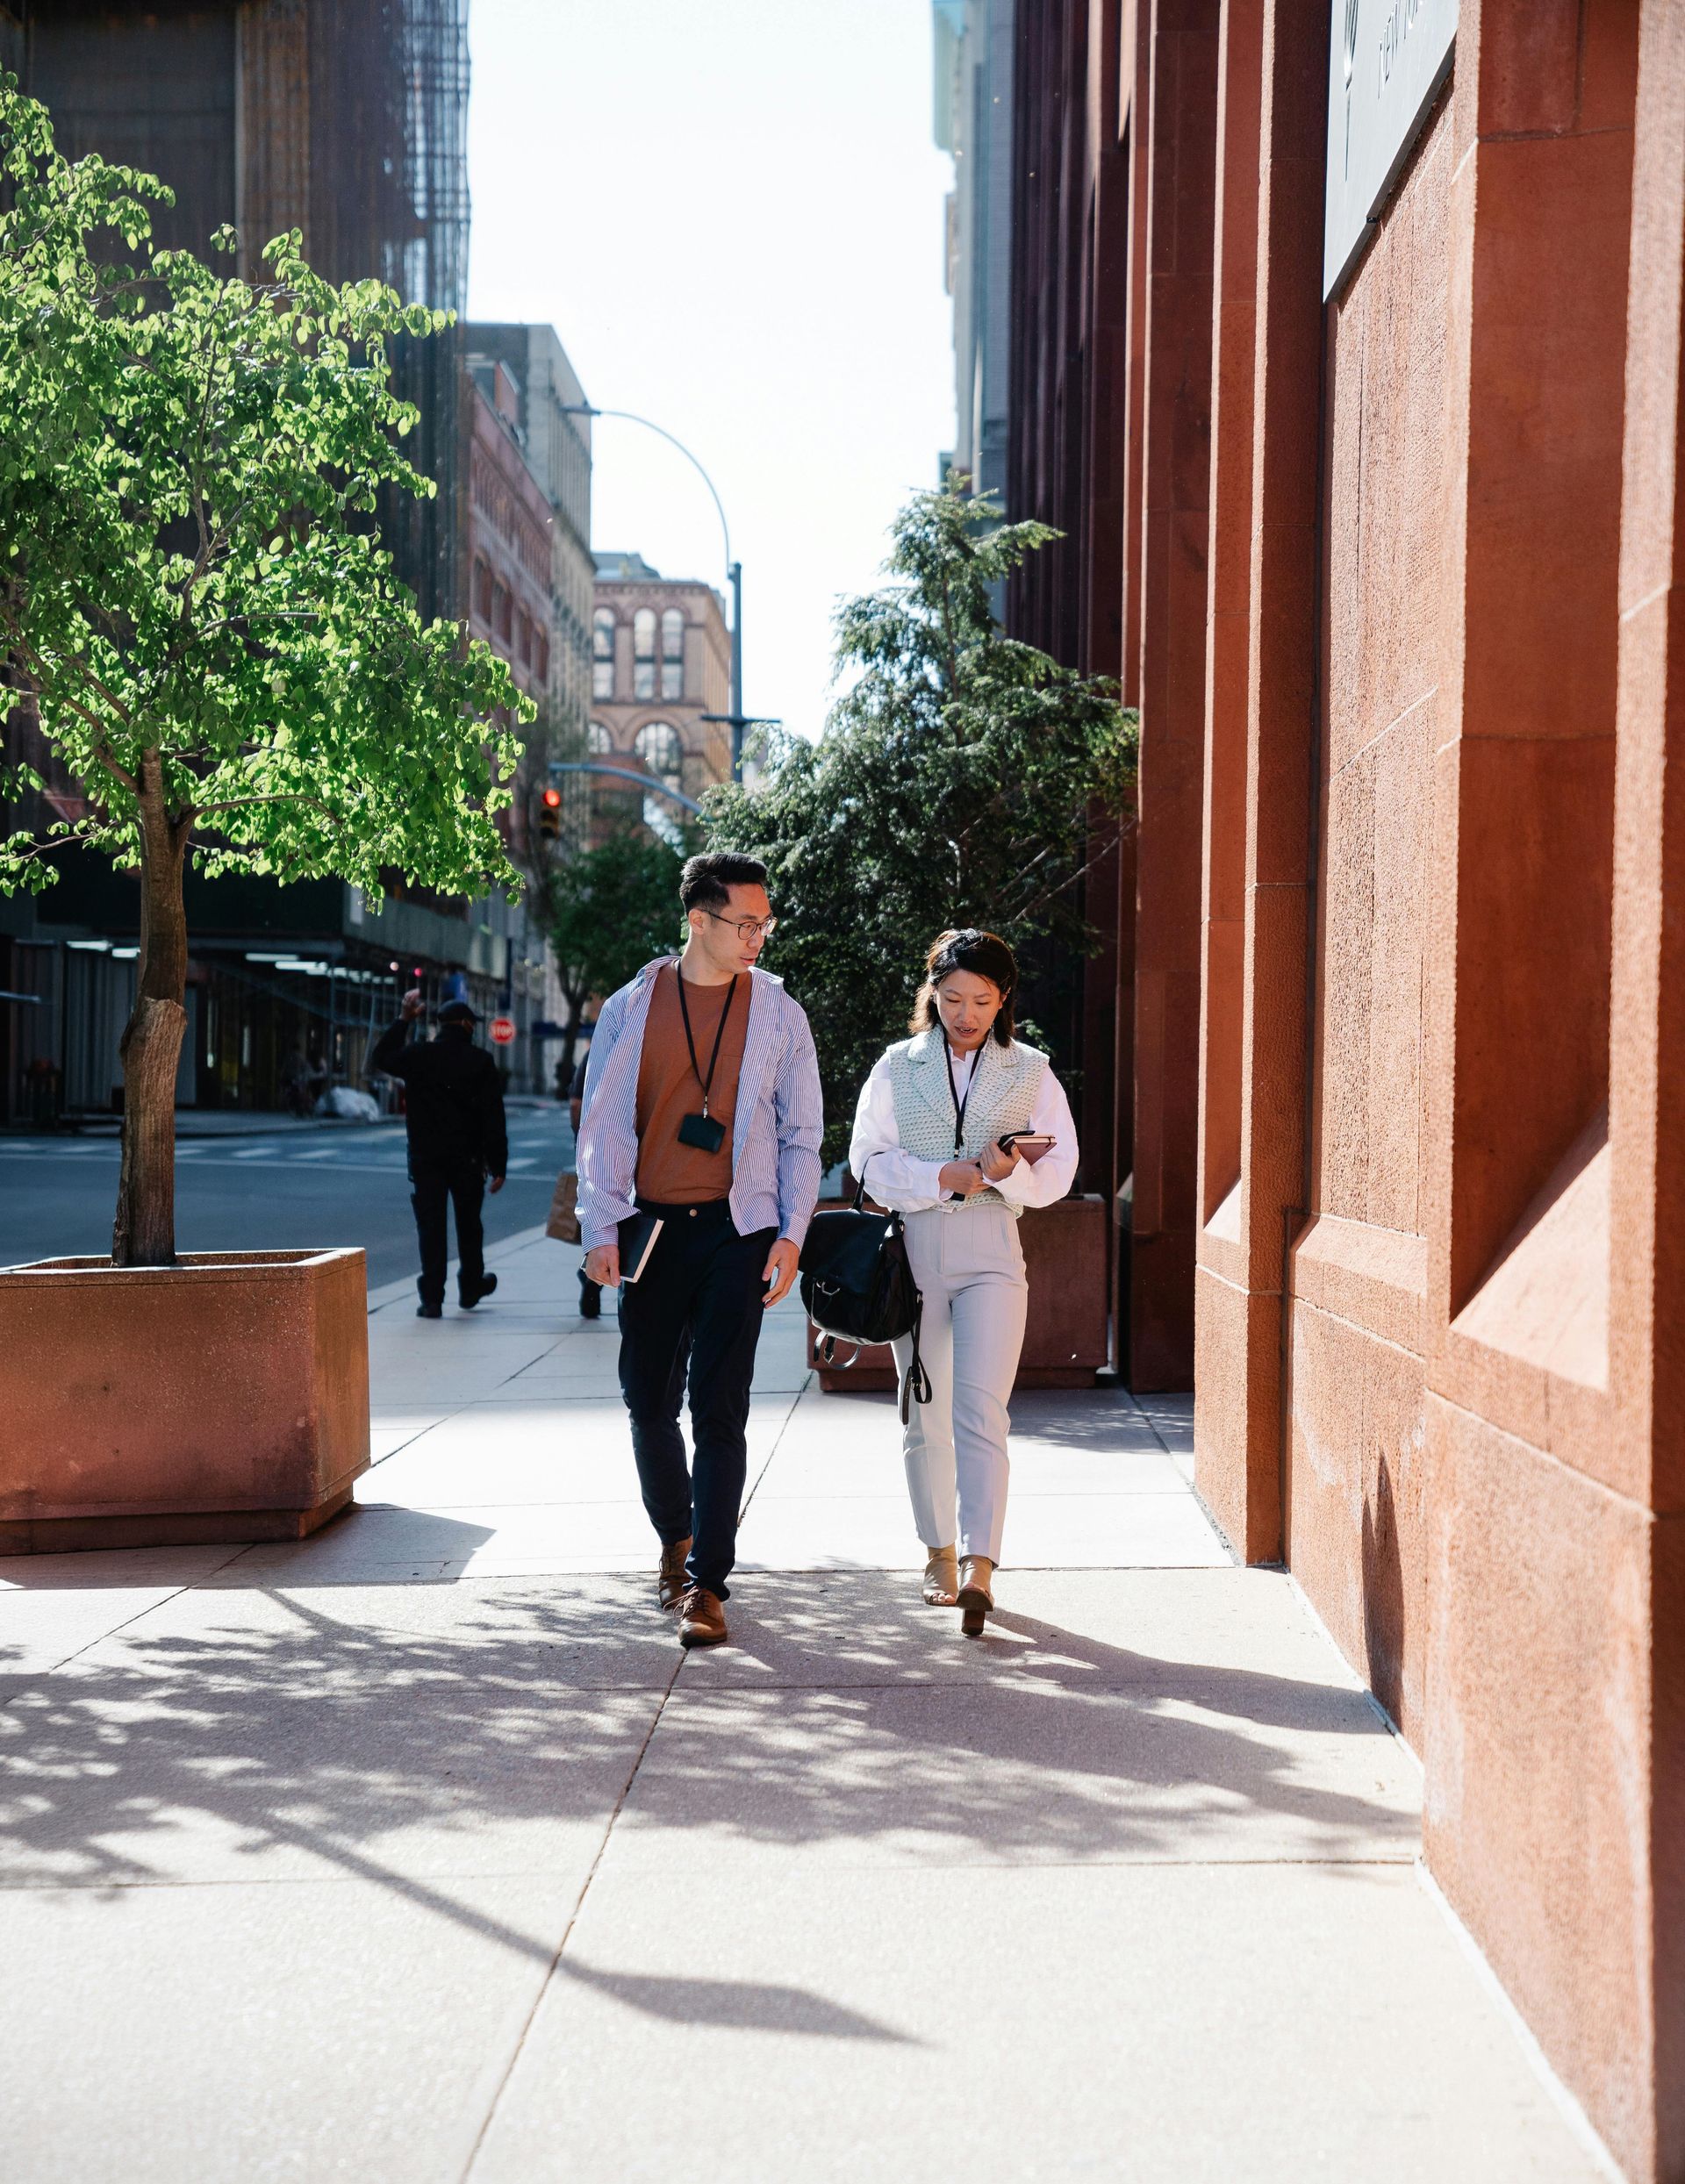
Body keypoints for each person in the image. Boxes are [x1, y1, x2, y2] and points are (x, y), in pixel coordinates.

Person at [577, 851, 822, 1650]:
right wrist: (600, 1229)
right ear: (699, 920)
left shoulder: (780, 1013)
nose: (758, 936)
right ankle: (674, 1541)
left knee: (720, 1405)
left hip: (738, 1228)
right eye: (744, 922)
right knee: (648, 1400)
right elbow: (603, 1122)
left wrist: (791, 1232)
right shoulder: (631, 1005)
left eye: (764, 922)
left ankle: (709, 1582)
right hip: (649, 1227)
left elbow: (801, 1133)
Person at [848, 927, 1079, 1636]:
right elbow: (865, 1164)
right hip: (915, 1251)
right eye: (952, 998)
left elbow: (1061, 1170)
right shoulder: (896, 1067)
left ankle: (982, 1562)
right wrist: (935, 1177)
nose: (966, 1013)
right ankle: (938, 1551)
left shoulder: (1032, 1071)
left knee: (982, 1409)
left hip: (993, 1250)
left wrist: (1016, 1172)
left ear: (1003, 998)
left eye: (981, 999)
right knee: (925, 1412)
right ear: (933, 995)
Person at [370, 992, 508, 1320]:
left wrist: (404, 1019)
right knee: (469, 1225)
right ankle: (471, 1286)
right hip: (468, 1158)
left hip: (425, 1157)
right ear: (465, 1025)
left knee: (430, 1226)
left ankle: (432, 1298)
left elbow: (382, 1057)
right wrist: (498, 1163)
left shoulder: (419, 1055)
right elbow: (493, 1117)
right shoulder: (480, 1061)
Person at [568, 1046, 601, 1320]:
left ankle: (592, 1276)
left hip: (600, 1151)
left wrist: (581, 1142)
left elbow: (576, 1103)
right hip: (643, 1147)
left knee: (600, 1217)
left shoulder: (596, 1051)